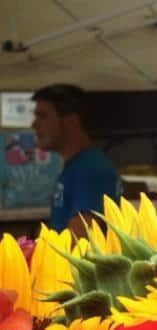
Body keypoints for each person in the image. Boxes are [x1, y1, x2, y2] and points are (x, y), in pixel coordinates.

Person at [32, 84, 120, 233]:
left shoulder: (90, 169)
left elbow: (81, 238)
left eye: (43, 116)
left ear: (71, 121)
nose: (34, 125)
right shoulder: (78, 166)